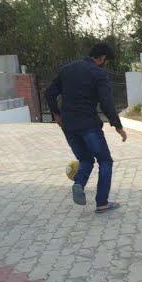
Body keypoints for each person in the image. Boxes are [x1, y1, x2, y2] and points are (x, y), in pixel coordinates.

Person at [45, 43, 127, 213]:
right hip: (89, 125)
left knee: (86, 160)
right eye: (106, 61)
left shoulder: (67, 69)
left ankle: (79, 184)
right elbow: (106, 103)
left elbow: (49, 93)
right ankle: (102, 203)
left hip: (68, 125)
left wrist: (56, 114)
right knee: (105, 161)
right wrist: (118, 126)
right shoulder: (98, 74)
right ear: (102, 58)